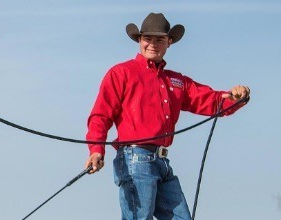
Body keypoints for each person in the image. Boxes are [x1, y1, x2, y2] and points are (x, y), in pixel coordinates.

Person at [83, 13, 250, 220]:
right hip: (135, 160)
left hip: (162, 162)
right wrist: (96, 149)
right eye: (148, 39)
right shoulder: (121, 73)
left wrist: (235, 97)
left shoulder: (176, 81)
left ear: (169, 42)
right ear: (139, 40)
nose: (152, 44)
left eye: (159, 39)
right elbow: (101, 114)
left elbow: (210, 100)